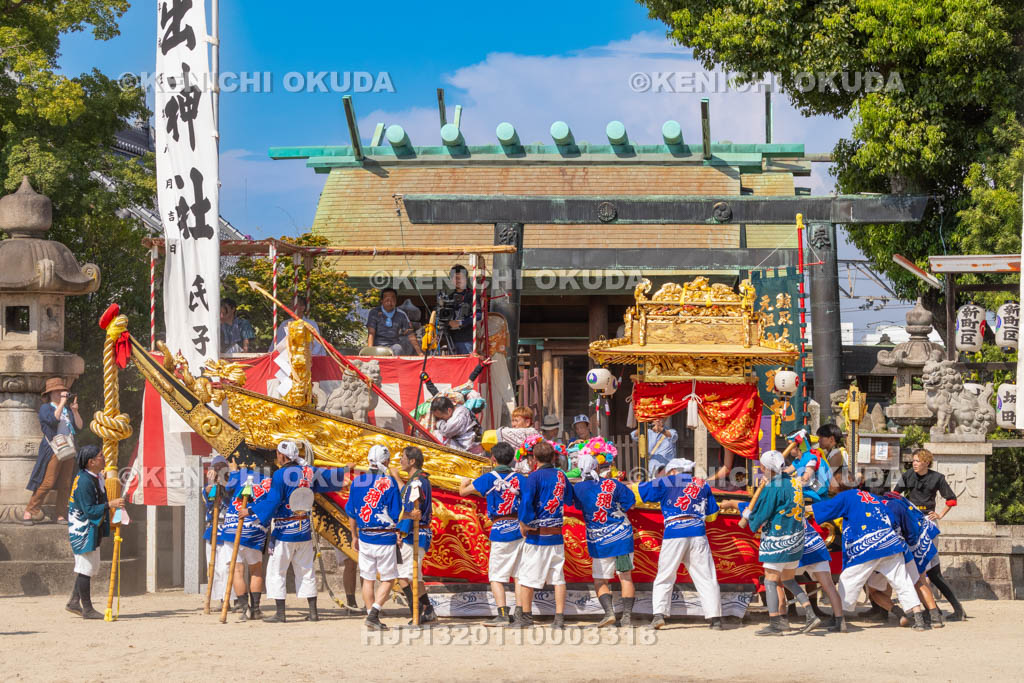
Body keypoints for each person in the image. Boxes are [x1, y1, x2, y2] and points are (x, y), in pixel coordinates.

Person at [810, 472, 928, 631]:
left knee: (847, 580)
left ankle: (838, 618)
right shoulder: (871, 496)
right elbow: (890, 518)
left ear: (840, 485)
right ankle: (918, 618)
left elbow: (819, 510)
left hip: (867, 545)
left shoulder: (846, 496)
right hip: (890, 542)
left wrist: (796, 507)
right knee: (902, 581)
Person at [250, 439, 346, 623]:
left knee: (277, 571)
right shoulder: (308, 471)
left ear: (282, 455)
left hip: (284, 531)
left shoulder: (279, 475)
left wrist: (251, 511)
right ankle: (313, 612)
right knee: (306, 570)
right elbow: (331, 477)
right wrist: (346, 469)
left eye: (278, 453)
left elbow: (273, 501)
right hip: (304, 530)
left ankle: (280, 614)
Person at [638, 457, 723, 630]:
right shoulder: (702, 484)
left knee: (665, 575)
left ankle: (659, 615)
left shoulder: (666, 481)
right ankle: (715, 619)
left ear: (673, 471)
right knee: (706, 576)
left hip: (674, 533)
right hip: (698, 533)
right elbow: (712, 515)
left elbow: (640, 493)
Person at [743, 450, 812, 636]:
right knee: (789, 580)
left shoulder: (773, 486)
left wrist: (749, 516)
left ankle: (775, 623)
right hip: (797, 538)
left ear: (766, 468)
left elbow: (762, 513)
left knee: (770, 581)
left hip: (778, 539)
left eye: (762, 466)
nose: (760, 468)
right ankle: (811, 614)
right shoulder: (794, 482)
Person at [893, 448, 964, 620]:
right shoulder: (908, 475)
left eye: (917, 461)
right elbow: (894, 495)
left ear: (926, 462)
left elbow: (951, 499)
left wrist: (940, 514)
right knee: (917, 569)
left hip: (928, 523)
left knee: (932, 571)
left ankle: (956, 610)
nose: (914, 463)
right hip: (911, 522)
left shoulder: (937, 478)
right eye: (913, 461)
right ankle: (933, 610)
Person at [460, 442, 525, 626]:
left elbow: (463, 492)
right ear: (511, 459)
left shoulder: (488, 478)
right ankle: (520, 613)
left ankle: (503, 614)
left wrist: (464, 481)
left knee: (496, 576)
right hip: (519, 530)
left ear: (493, 459)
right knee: (519, 575)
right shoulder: (520, 478)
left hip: (500, 531)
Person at [572, 453, 636, 627]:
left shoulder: (578, 489)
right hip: (622, 536)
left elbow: (576, 505)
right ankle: (627, 618)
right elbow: (631, 503)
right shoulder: (613, 483)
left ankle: (609, 614)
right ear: (598, 467)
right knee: (625, 577)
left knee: (600, 580)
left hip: (600, 542)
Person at [515, 441, 574, 629]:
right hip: (556, 535)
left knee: (527, 578)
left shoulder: (534, 477)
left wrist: (524, 522)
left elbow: (526, 502)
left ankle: (526, 617)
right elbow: (569, 498)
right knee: (558, 578)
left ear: (534, 458)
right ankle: (559, 618)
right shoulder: (561, 475)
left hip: (538, 535)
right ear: (554, 457)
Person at [346, 444, 403, 631]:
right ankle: (373, 613)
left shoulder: (357, 481)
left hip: (364, 536)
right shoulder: (389, 482)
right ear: (386, 461)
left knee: (368, 578)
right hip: (385, 537)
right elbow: (396, 513)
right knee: (389, 578)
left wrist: (354, 536)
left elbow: (351, 512)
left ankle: (371, 614)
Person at [866, 491, 944, 628]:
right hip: (905, 547)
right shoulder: (897, 503)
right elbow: (911, 531)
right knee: (919, 581)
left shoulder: (866, 507)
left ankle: (899, 613)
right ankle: (935, 616)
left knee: (874, 590)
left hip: (879, 551)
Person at [66, 445, 123, 619]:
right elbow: (89, 510)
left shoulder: (94, 476)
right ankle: (88, 609)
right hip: (83, 529)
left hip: (91, 527)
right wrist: (110, 504)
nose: (104, 458)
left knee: (89, 567)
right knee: (86, 567)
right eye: (100, 456)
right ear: (91, 462)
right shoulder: (84, 481)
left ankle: (74, 601)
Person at [25, 378, 83, 524]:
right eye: (56, 391)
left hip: (68, 448)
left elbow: (79, 426)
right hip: (53, 449)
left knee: (65, 484)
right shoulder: (46, 408)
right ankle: (30, 510)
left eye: (62, 391)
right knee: (48, 482)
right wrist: (62, 403)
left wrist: (75, 412)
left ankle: (60, 514)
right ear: (49, 393)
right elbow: (52, 420)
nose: (60, 393)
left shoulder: (67, 410)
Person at [391, 446, 437, 624]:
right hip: (419, 532)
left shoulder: (417, 482)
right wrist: (397, 478)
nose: (400, 461)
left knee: (404, 575)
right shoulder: (419, 480)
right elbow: (407, 495)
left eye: (403, 457)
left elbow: (412, 508)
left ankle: (415, 611)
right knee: (414, 575)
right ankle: (428, 610)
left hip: (413, 533)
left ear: (412, 461)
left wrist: (401, 531)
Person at [220, 465, 270, 621]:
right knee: (256, 569)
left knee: (237, 571)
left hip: (232, 525)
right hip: (254, 527)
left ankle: (245, 609)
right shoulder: (270, 479)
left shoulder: (239, 475)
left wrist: (234, 471)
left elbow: (227, 489)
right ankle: (255, 609)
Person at [202, 456, 234, 612]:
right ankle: (221, 599)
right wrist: (213, 484)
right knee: (214, 568)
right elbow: (210, 499)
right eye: (216, 468)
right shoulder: (209, 487)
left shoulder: (232, 485)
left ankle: (233, 598)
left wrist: (224, 481)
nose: (218, 471)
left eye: (221, 468)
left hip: (228, 531)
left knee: (227, 567)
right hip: (212, 531)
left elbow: (230, 497)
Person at [366, 287, 422, 356]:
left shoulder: (401, 314)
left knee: (398, 348)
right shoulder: (374, 312)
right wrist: (370, 351)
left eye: (392, 300)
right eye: (387, 300)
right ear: (382, 301)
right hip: (377, 346)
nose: (390, 302)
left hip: (393, 346)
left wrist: (420, 353)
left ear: (396, 301)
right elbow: (371, 333)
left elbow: (410, 334)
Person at [444, 264, 482, 355]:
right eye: (455, 278)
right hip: (450, 339)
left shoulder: (472, 296)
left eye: (461, 278)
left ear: (466, 278)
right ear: (451, 280)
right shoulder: (448, 297)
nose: (458, 280)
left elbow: (478, 315)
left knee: (467, 363)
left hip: (467, 339)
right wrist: (448, 322)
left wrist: (461, 322)